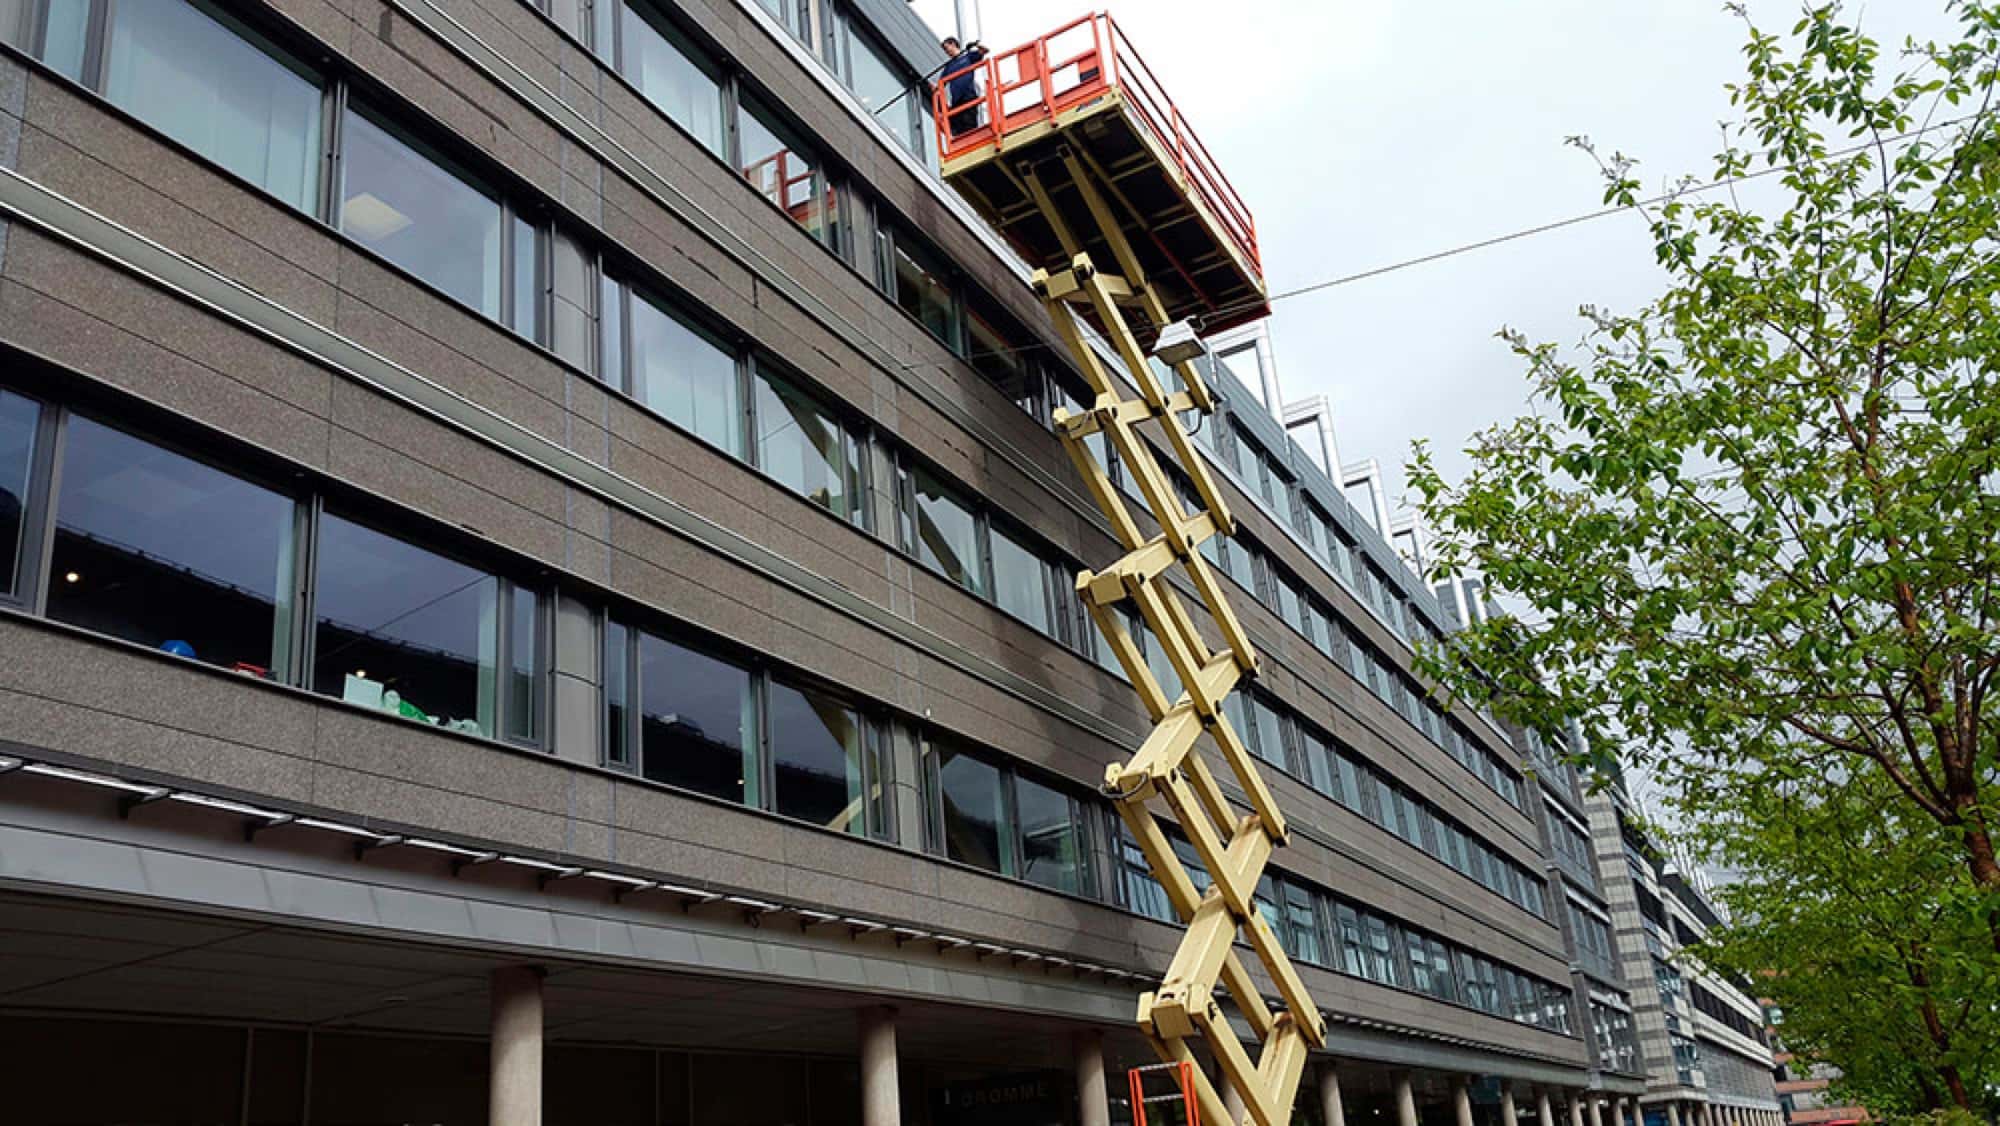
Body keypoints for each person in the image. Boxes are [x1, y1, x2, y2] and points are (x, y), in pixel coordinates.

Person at [941, 37, 986, 137]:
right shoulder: (949, 66)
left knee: (969, 125)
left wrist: (975, 45)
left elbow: (984, 50)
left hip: (968, 96)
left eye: (946, 47)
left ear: (953, 44)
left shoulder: (968, 57)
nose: (946, 51)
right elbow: (940, 84)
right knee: (958, 129)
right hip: (956, 102)